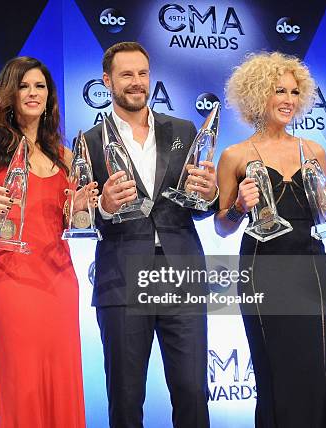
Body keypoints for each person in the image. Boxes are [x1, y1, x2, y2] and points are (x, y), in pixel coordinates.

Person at [215, 51, 326, 427]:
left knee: (324, 364)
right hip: (262, 271)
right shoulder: (234, 156)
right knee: (277, 370)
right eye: (279, 91)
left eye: (295, 93)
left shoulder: (313, 151)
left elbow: (320, 214)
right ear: (257, 95)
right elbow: (221, 226)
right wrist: (238, 209)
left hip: (312, 268)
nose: (289, 100)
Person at [83, 42, 217, 428]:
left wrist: (209, 196)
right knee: (125, 398)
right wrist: (104, 207)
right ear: (107, 81)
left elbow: (200, 205)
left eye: (142, 73)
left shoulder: (184, 130)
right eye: (127, 74)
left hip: (182, 273)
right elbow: (79, 218)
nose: (137, 82)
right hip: (122, 276)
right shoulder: (89, 141)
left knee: (192, 391)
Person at [0, 56, 93, 428]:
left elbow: (68, 222)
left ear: (50, 96)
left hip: (59, 278)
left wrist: (79, 208)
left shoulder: (65, 156)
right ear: (9, 93)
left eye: (40, 86)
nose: (32, 93)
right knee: (23, 379)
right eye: (23, 86)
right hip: (10, 278)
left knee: (62, 376)